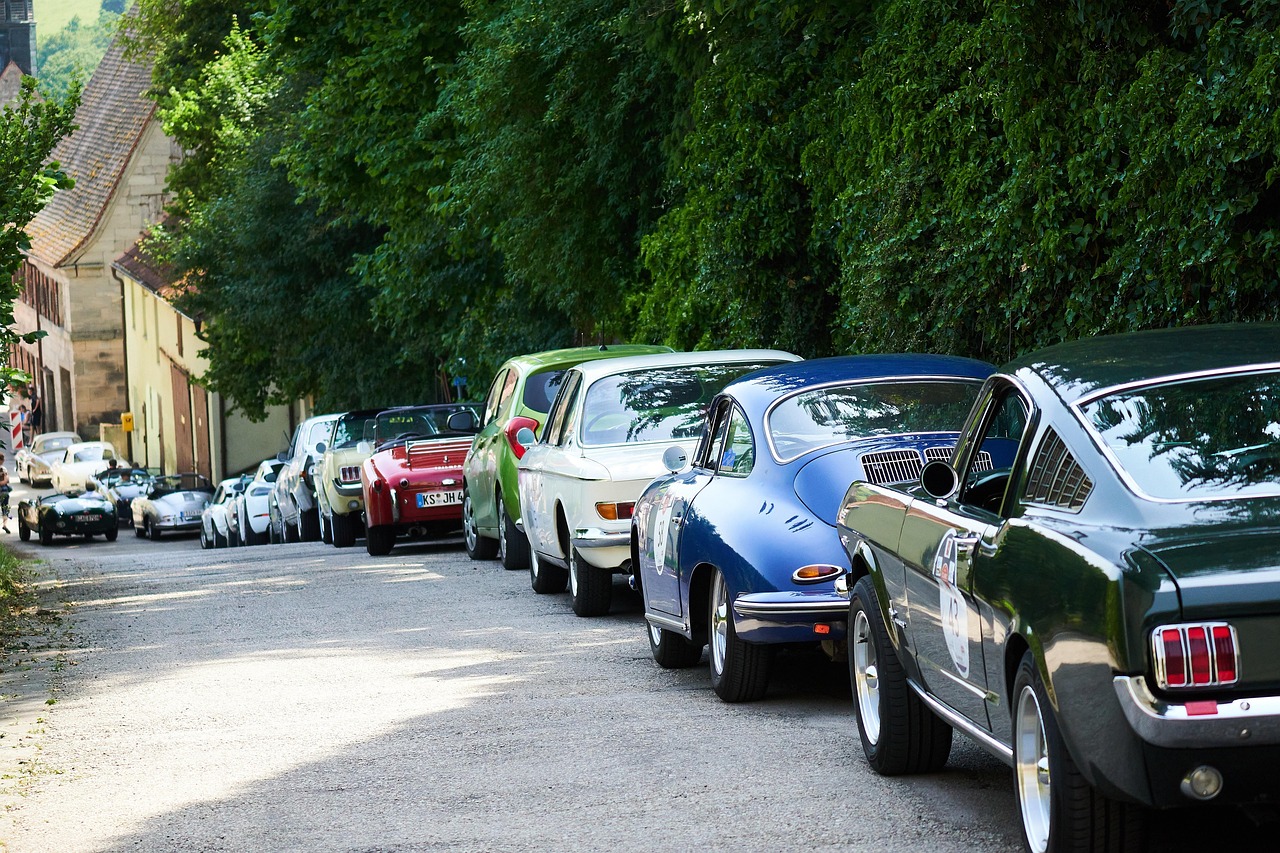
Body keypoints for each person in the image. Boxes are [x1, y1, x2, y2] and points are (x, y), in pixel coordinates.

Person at [0, 452, 10, 533]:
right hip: (4, 491)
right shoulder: (3, 469)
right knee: (5, 509)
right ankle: (4, 525)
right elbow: (7, 480)